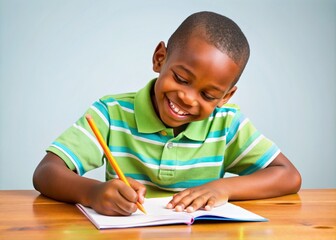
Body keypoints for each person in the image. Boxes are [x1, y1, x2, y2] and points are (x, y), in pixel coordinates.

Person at [33, 11, 301, 216]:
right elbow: (46, 172)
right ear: (160, 58)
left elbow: (288, 175)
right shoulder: (111, 113)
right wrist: (92, 193)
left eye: (208, 96)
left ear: (225, 97)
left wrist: (223, 188)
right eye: (182, 79)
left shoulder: (227, 124)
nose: (187, 98)